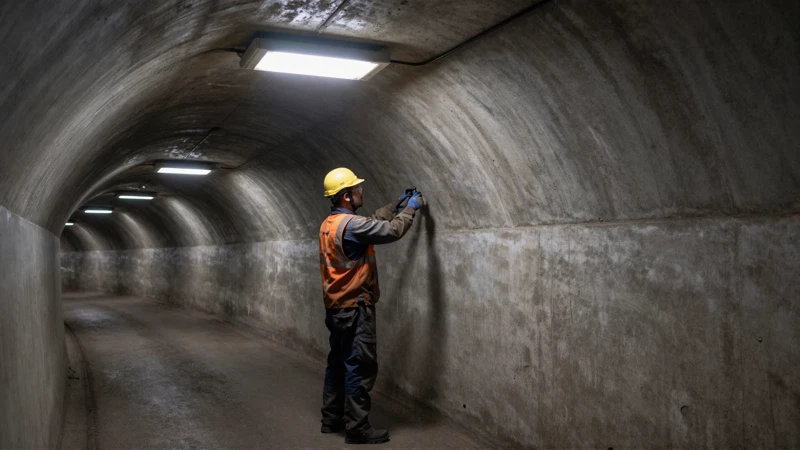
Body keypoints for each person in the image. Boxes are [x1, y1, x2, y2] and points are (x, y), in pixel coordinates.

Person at [318, 167, 424, 445]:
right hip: (356, 307)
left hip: (336, 306)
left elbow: (372, 221)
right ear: (346, 197)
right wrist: (411, 209)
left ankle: (331, 419)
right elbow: (390, 230)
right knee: (359, 366)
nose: (360, 191)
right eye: (356, 189)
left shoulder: (332, 223)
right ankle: (357, 428)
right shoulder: (352, 226)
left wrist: (396, 204)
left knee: (337, 363)